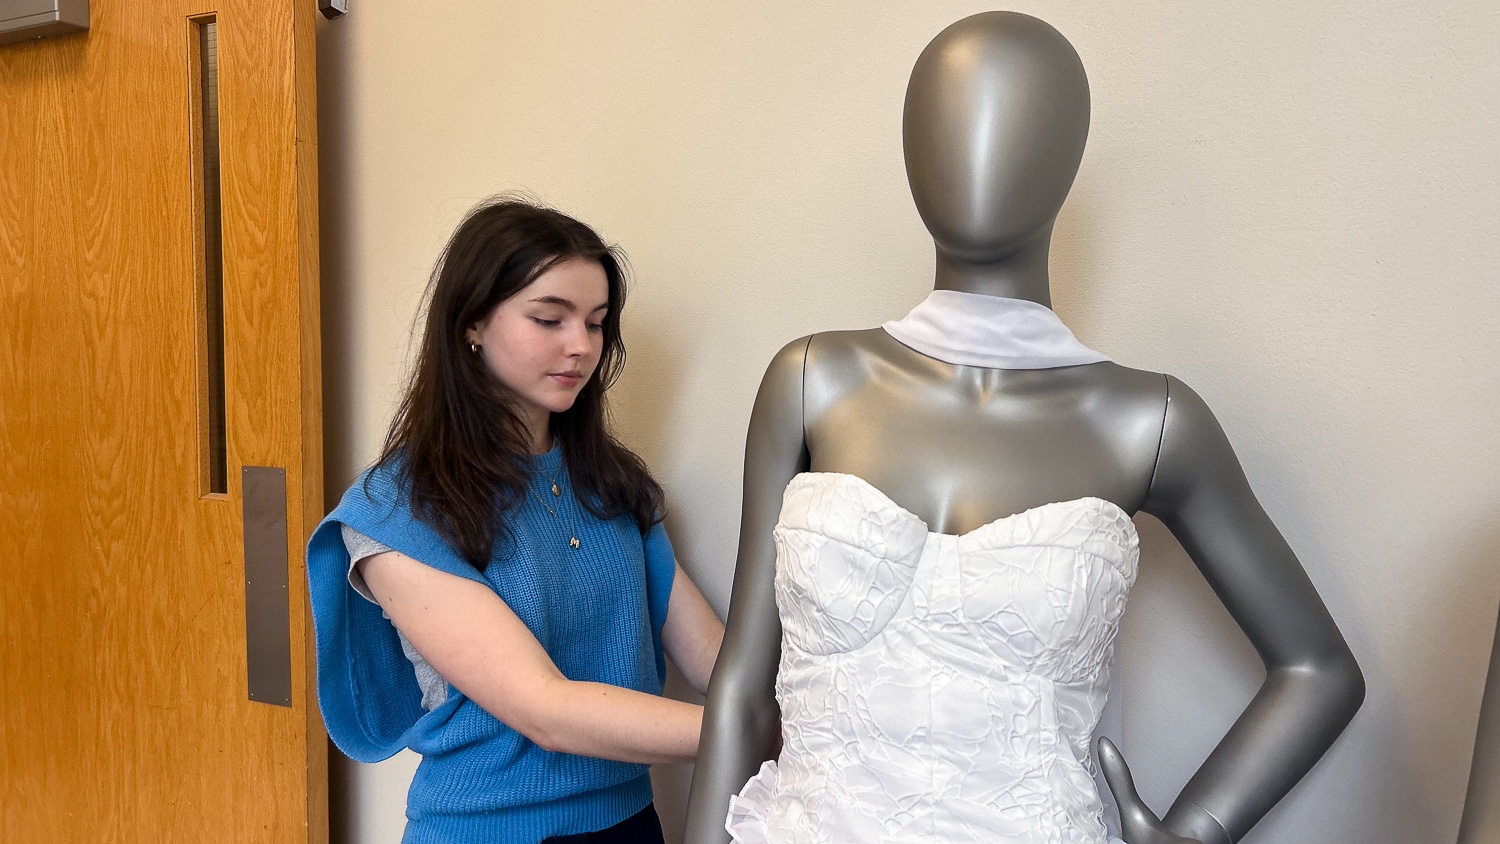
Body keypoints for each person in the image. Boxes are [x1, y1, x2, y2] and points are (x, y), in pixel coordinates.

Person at [683, 12, 1362, 844]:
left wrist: (1198, 830)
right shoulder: (811, 378)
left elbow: (1318, 670)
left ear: (1065, 157)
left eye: (1014, 116)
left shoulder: (1150, 422)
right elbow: (744, 687)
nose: (976, 146)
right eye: (949, 116)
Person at [306, 196, 725, 844]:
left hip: (631, 822)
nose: (580, 346)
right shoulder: (399, 511)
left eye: (596, 322)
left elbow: (712, 659)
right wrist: (763, 729)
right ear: (472, 322)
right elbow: (546, 709)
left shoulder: (612, 485)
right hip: (488, 832)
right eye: (549, 319)